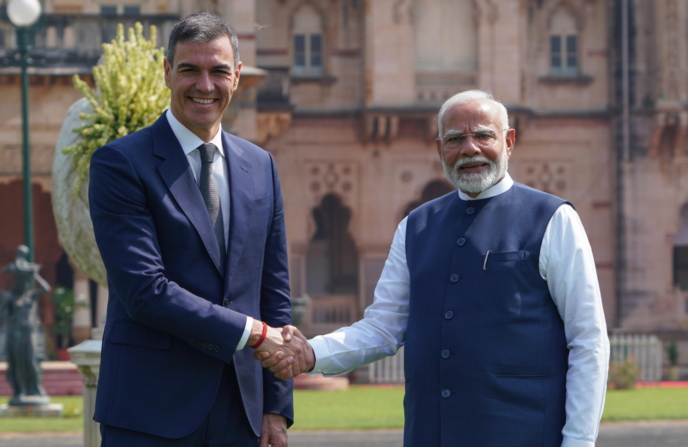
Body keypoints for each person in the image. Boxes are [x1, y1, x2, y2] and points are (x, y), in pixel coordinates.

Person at [260, 90, 610, 447]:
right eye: (456, 139)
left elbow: (588, 339)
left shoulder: (552, 219)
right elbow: (383, 327)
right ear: (440, 147)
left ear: (509, 141)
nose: (470, 148)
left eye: (483, 135)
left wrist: (579, 442)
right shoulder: (416, 226)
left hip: (524, 433)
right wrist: (312, 353)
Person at [89, 13, 309, 447]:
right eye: (190, 70)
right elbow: (145, 292)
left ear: (238, 75)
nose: (204, 85)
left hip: (242, 409)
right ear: (168, 73)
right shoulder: (121, 163)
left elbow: (273, 291)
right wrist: (256, 334)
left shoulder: (259, 165)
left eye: (218, 71)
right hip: (150, 408)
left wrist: (275, 407)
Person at [0, 245, 51, 406]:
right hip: (15, 332)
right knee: (18, 362)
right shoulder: (11, 298)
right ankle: (20, 391)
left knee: (31, 360)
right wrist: (11, 320)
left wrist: (33, 275)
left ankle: (37, 388)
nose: (21, 285)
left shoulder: (31, 296)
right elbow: (0, 312)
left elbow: (45, 288)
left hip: (29, 332)